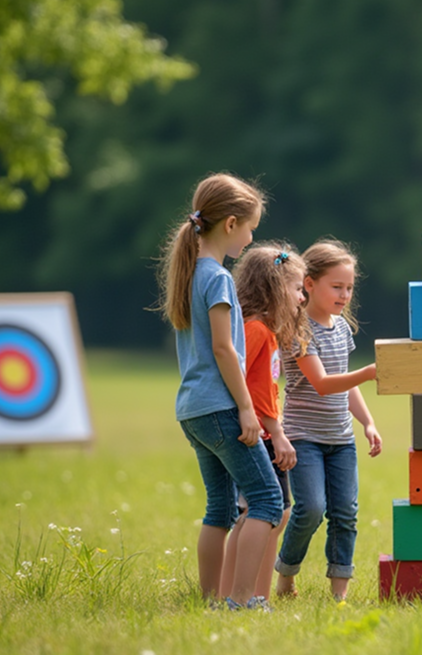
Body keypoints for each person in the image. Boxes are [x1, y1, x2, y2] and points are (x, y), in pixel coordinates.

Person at [156, 173, 283, 611]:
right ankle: (243, 601)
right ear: (230, 224)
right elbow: (224, 348)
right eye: (250, 228)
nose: (251, 238)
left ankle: (208, 602)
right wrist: (247, 410)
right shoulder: (218, 278)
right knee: (268, 500)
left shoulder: (190, 273)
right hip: (221, 408)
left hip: (192, 410)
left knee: (221, 508)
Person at [273, 239, 380, 602]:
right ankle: (285, 573)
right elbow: (322, 383)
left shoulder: (341, 328)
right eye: (337, 286)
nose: (345, 294)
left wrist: (367, 422)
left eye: (349, 287)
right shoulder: (298, 332)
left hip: (341, 439)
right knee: (311, 509)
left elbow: (344, 383)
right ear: (309, 284)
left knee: (345, 513)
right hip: (303, 437)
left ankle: (339, 596)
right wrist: (367, 373)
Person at [218, 242, 310, 602]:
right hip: (258, 432)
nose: (301, 298)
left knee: (273, 511)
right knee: (268, 509)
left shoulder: (263, 331)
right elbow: (250, 389)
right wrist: (277, 433)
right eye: (297, 288)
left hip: (262, 429)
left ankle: (251, 594)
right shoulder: (256, 331)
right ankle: (244, 596)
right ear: (274, 286)